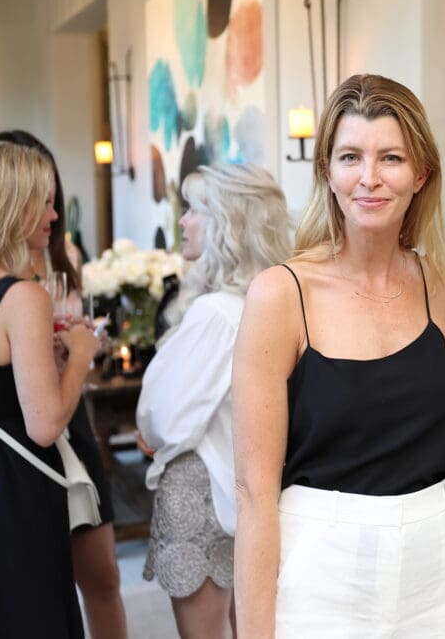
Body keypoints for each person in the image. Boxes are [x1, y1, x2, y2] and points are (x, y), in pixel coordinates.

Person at [232, 74, 445, 637]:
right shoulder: (281, 294)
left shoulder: (442, 287)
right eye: (350, 157)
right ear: (326, 171)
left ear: (421, 174)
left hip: (436, 568)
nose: (369, 178)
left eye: (390, 157)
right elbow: (253, 495)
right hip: (319, 569)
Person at [136, 165, 292, 639]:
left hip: (200, 491)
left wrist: (149, 431)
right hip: (247, 488)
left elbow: (161, 418)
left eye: (193, 211)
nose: (182, 221)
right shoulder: (270, 302)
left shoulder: (215, 314)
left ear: (228, 222)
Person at [0, 129, 127, 639]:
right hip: (20, 484)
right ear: (14, 206)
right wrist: (82, 356)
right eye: (42, 203)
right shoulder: (22, 296)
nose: (52, 215)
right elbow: (45, 424)